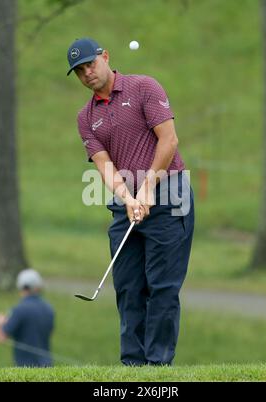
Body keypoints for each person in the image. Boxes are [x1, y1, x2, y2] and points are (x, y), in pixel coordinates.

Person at [67, 38, 194, 366]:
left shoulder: (144, 87)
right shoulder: (86, 117)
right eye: (80, 71)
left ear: (105, 57)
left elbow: (169, 140)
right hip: (127, 204)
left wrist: (148, 186)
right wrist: (126, 197)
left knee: (162, 287)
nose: (87, 74)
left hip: (169, 195)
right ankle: (132, 366)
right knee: (127, 287)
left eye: (90, 64)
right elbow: (103, 164)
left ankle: (157, 366)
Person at [0, 269, 55, 367]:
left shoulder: (19, 310)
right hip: (47, 366)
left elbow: (1, 337)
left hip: (25, 367)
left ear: (21, 287)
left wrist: (0, 322)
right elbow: (51, 332)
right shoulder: (49, 309)